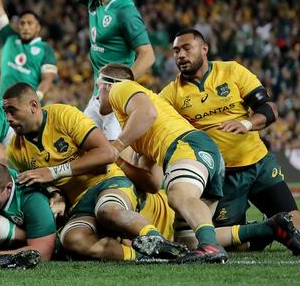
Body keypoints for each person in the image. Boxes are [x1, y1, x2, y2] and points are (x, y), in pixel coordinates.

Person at [159, 28, 300, 254]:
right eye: (176, 51)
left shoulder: (232, 71)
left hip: (258, 163)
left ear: (204, 49)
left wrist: (246, 124)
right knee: (233, 245)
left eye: (187, 48)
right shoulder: (170, 94)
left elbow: (269, 108)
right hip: (223, 176)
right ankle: (268, 227)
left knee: (297, 229)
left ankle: (273, 224)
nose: (181, 55)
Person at [2, 82, 185, 261]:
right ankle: (142, 257)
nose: (9, 118)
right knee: (72, 240)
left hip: (107, 182)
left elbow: (106, 153)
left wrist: (55, 172)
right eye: (6, 112)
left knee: (107, 211)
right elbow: (40, 182)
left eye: (13, 111)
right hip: (79, 202)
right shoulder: (15, 150)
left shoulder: (63, 115)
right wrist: (55, 192)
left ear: (33, 106)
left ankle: (157, 240)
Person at [24, 0, 155, 140]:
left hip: (117, 102)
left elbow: (148, 55)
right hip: (97, 97)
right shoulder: (94, 0)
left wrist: (119, 87)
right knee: (80, 144)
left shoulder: (125, 11)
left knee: (115, 158)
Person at [96, 63, 228, 263]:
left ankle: (210, 247)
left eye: (98, 87)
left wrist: (115, 147)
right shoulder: (137, 127)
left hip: (185, 146)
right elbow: (153, 183)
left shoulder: (121, 88)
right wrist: (120, 160)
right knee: (188, 239)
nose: (97, 96)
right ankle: (267, 228)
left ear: (108, 85)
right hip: (200, 150)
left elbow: (147, 113)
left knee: (178, 195)